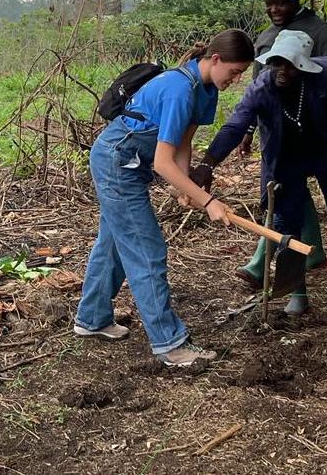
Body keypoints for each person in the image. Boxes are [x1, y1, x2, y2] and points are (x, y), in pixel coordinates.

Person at [73, 29, 255, 367]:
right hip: (117, 163)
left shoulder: (207, 90)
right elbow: (162, 162)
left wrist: (183, 186)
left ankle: (92, 319)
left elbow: (182, 144)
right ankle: (169, 343)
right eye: (235, 71)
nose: (237, 79)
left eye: (242, 73)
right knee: (146, 248)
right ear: (215, 59)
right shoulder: (179, 90)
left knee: (114, 242)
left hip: (131, 165)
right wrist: (207, 201)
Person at [194, 30, 327, 315]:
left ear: (304, 66)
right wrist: (207, 164)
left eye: (290, 65)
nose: (282, 71)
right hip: (287, 156)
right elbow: (234, 126)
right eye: (277, 63)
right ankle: (297, 293)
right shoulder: (262, 87)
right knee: (288, 221)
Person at [229, 0, 327, 291]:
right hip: (277, 132)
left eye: (281, 2)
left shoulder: (321, 32)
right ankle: (307, 254)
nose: (274, 8)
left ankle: (264, 261)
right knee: (283, 192)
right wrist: (248, 130)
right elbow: (256, 92)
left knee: (297, 195)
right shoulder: (266, 39)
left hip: (315, 133)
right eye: (270, 2)